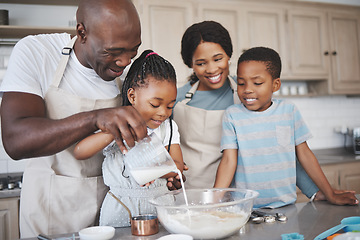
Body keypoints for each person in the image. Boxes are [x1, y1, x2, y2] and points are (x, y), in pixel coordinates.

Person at [0, 0, 149, 238]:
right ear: (82, 32)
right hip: (50, 212)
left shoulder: (126, 75)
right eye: (113, 51)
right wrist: (96, 118)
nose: (124, 62)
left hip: (109, 213)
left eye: (132, 50)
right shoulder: (37, 53)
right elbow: (16, 140)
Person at [173, 21, 320, 201]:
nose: (212, 69)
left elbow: (280, 154)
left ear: (229, 56)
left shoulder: (248, 92)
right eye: (201, 63)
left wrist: (314, 192)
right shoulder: (175, 99)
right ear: (191, 64)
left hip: (239, 199)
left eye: (218, 59)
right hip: (191, 195)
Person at [213, 46, 359, 207]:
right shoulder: (232, 115)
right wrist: (214, 202)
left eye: (257, 83)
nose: (247, 89)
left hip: (285, 207)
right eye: (241, 83)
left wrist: (329, 193)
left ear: (275, 85)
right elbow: (228, 161)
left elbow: (304, 156)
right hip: (246, 209)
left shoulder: (289, 111)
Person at [73, 50, 184, 227]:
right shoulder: (115, 124)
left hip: (161, 206)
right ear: (132, 96)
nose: (163, 112)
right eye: (155, 104)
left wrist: (150, 168)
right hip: (121, 206)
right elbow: (79, 152)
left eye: (170, 106)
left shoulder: (168, 128)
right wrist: (113, 131)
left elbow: (178, 167)